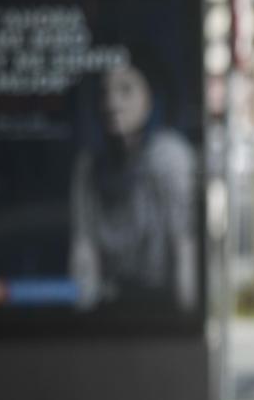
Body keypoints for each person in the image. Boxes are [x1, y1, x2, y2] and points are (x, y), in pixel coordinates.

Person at [70, 63, 198, 312]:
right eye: (104, 93)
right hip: (107, 311)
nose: (112, 103)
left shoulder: (169, 157)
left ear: (151, 97)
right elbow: (82, 249)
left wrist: (185, 323)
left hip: (162, 311)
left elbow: (184, 246)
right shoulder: (89, 167)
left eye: (126, 90)